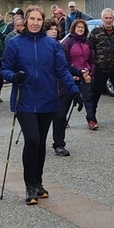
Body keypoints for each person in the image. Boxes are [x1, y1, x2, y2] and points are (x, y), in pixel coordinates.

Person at [1, 6, 82, 203]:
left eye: (39, 19)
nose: (35, 23)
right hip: (25, 100)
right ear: (26, 21)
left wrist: (74, 90)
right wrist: (14, 76)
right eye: (32, 19)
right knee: (32, 140)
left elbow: (62, 70)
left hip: (47, 100)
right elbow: (4, 69)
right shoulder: (15, 43)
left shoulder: (52, 45)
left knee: (41, 143)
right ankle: (29, 185)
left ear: (43, 22)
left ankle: (38, 181)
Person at [87, 8, 114, 129]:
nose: (108, 20)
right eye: (106, 18)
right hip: (100, 69)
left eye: (110, 18)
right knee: (95, 94)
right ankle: (91, 117)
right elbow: (89, 50)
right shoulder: (95, 32)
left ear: (113, 19)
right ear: (102, 19)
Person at [43, 22, 78, 157]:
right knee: (44, 117)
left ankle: (59, 143)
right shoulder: (40, 47)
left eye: (54, 29)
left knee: (60, 116)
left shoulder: (61, 46)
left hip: (63, 87)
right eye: (50, 29)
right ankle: (38, 142)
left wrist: (80, 72)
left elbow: (66, 65)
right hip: (47, 87)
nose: (53, 32)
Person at [62, 18, 95, 133]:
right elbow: (65, 61)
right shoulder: (68, 42)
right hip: (72, 76)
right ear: (74, 28)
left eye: (82, 27)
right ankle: (62, 119)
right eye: (78, 27)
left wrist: (90, 73)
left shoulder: (87, 42)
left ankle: (91, 120)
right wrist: (72, 74)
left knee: (88, 99)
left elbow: (92, 60)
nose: (80, 29)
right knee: (67, 99)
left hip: (85, 74)